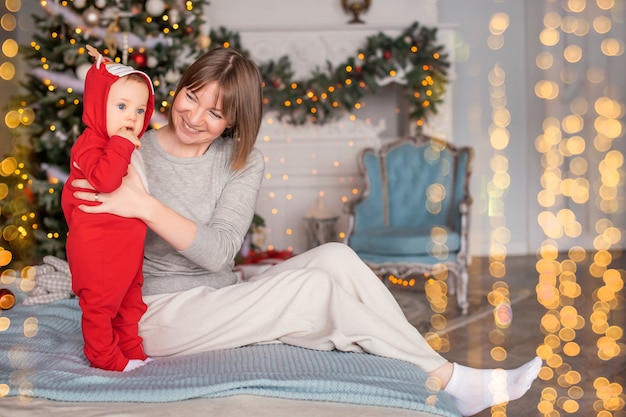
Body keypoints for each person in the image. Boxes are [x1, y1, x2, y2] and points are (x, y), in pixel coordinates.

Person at [69, 46, 542, 415]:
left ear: (235, 119)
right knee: (315, 291)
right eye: (192, 97)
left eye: (215, 113)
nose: (194, 117)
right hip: (153, 314)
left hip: (219, 293)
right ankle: (452, 380)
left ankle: (442, 375)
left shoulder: (240, 159)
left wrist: (146, 206)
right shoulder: (131, 149)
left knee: (336, 257)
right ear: (183, 86)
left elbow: (218, 254)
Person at [61, 45, 155, 372]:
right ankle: (105, 359)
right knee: (100, 306)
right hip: (98, 246)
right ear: (97, 107)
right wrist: (123, 144)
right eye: (121, 106)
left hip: (126, 246)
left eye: (140, 110)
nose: (132, 117)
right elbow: (104, 181)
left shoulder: (126, 146)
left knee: (130, 303)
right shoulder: (91, 144)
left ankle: (132, 350)